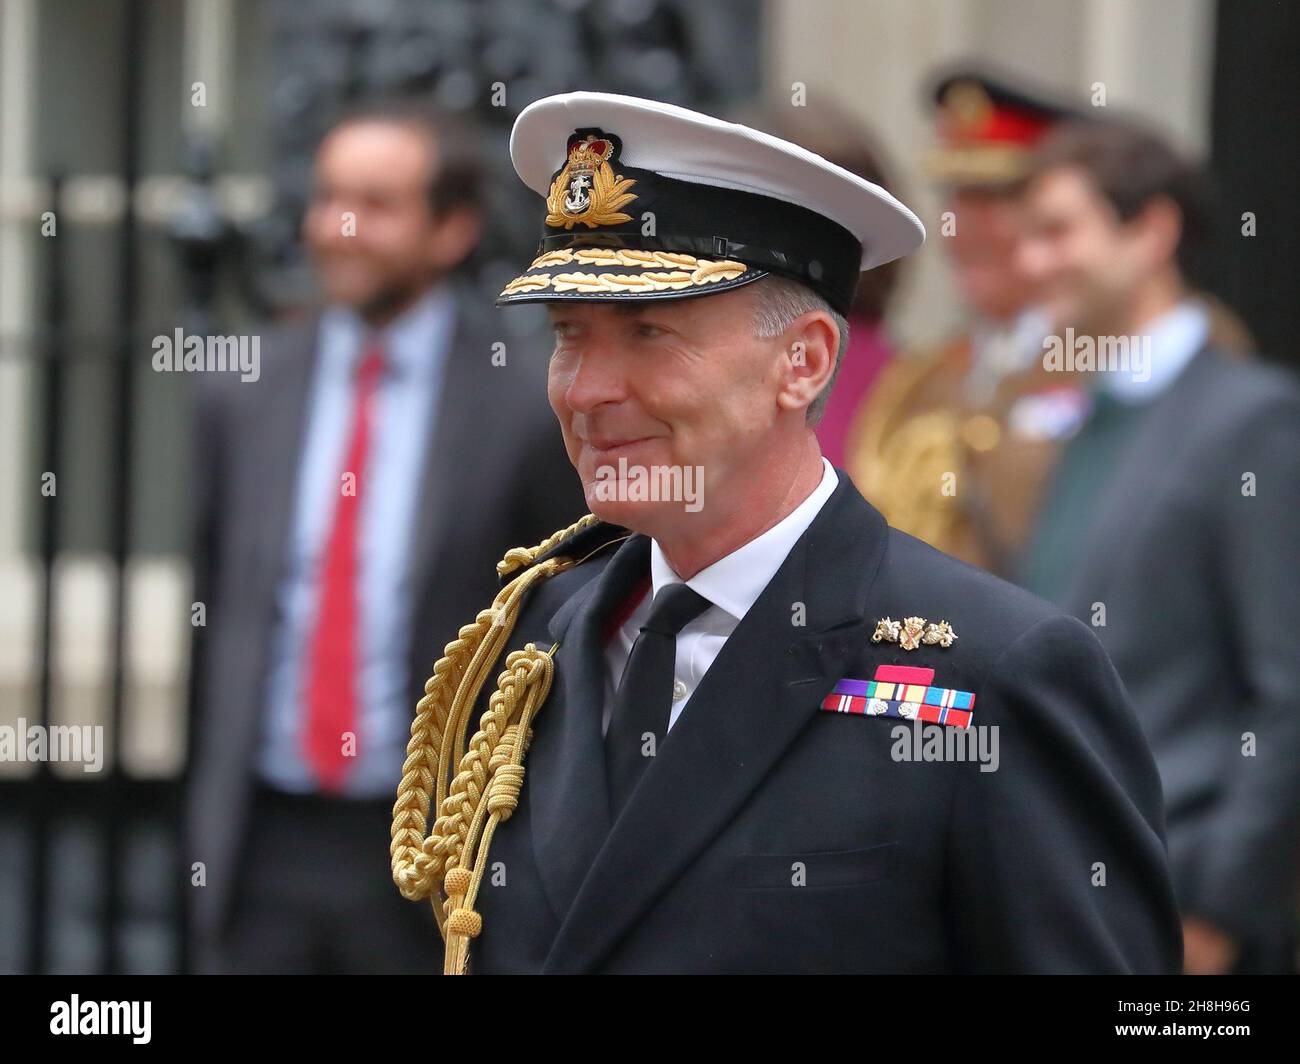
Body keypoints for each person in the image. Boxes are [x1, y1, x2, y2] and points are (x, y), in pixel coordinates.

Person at [390, 92, 1182, 975]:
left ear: (801, 362)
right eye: (569, 336)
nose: (587, 390)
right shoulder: (538, 639)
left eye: (649, 333)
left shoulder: (989, 673)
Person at [186, 98, 582, 974]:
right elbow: (212, 619)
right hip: (264, 844)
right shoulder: (243, 392)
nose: (338, 227)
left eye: (375, 202)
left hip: (430, 858)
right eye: (328, 198)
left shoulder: (519, 407)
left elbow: (551, 635)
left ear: (452, 229)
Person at [1015, 118, 1300, 975]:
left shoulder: (1253, 420)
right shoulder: (1083, 420)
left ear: (1152, 231)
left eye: (1060, 232)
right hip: (1067, 897)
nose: (1034, 265)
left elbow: (1288, 691)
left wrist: (1217, 911)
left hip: (1180, 918)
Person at [846, 66, 1089, 576]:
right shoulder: (917, 380)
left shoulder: (1112, 368)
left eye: (995, 198)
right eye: (955, 195)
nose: (963, 226)